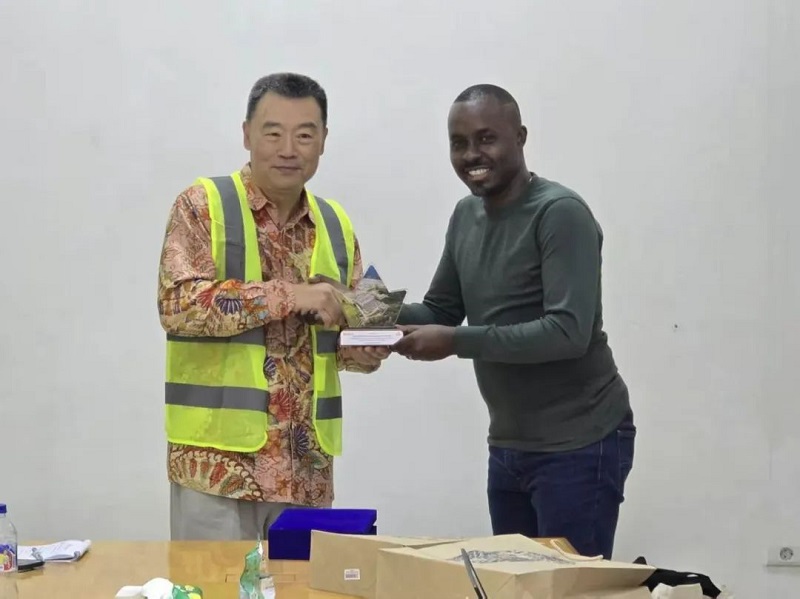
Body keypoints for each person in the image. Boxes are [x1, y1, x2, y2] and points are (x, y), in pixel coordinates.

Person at [393, 84, 635, 559]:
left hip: (580, 443)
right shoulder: (465, 214)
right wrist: (360, 305)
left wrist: (455, 341)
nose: (471, 155)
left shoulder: (559, 213)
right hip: (508, 446)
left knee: (567, 589)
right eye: (458, 143)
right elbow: (440, 310)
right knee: (514, 585)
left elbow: (567, 333)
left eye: (486, 139)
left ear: (520, 137)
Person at [157, 72, 386, 541]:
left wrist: (367, 349)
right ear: (246, 134)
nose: (288, 149)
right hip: (217, 468)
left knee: (303, 583)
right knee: (213, 583)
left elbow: (353, 331)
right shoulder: (202, 205)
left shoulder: (336, 223)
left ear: (323, 141)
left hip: (306, 469)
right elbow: (176, 304)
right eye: (273, 132)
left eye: (304, 135)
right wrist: (288, 295)